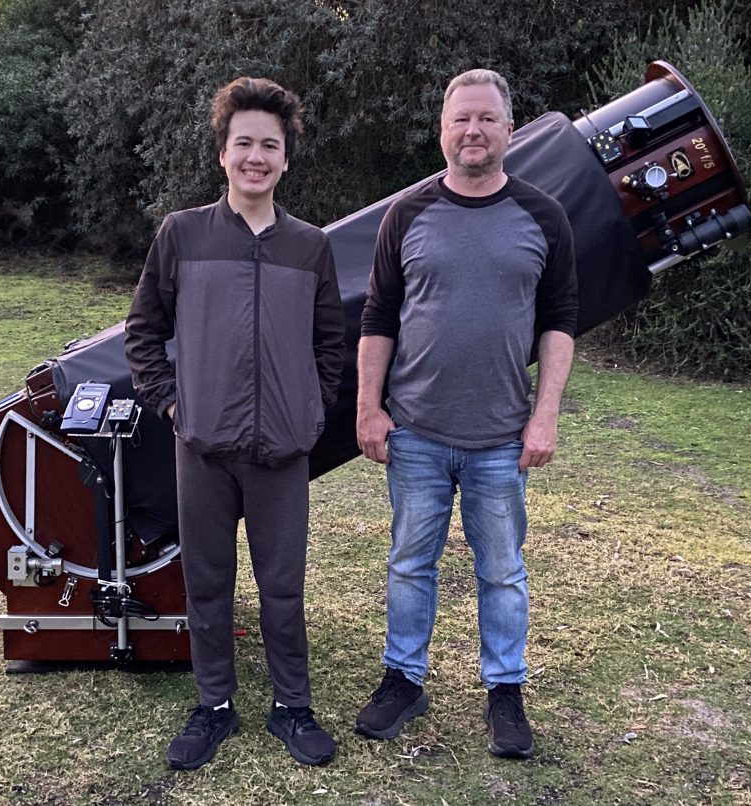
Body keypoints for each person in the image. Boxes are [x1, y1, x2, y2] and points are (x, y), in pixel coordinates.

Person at [354, 68, 578, 759]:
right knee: (409, 564)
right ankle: (403, 680)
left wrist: (545, 417)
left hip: (501, 439)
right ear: (442, 130)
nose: (473, 131)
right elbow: (378, 317)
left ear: (510, 131)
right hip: (416, 431)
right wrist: (369, 408)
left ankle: (505, 692)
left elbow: (561, 322)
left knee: (502, 571)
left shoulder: (543, 216)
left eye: (487, 119)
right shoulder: (409, 213)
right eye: (461, 119)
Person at [124, 77, 345, 770]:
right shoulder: (182, 235)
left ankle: (292, 707)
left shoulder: (309, 246)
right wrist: (171, 403)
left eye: (270, 145)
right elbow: (143, 329)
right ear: (223, 153)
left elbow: (331, 343)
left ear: (286, 159)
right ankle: (213, 706)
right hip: (204, 449)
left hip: (282, 452)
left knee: (283, 588)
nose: (257, 156)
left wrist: (311, 409)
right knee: (208, 585)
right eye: (243, 142)